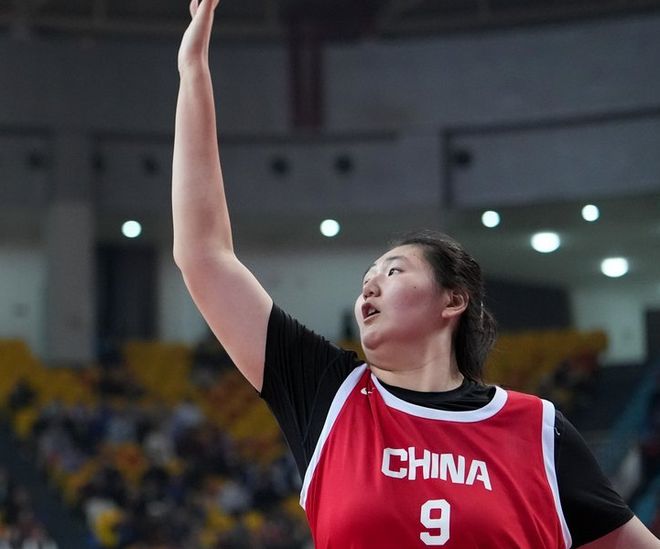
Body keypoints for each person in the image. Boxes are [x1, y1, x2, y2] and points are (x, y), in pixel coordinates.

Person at [171, 1, 660, 547]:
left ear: (452, 299)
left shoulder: (539, 429)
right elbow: (204, 256)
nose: (369, 284)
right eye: (367, 277)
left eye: (394, 270)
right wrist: (193, 72)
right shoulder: (328, 394)